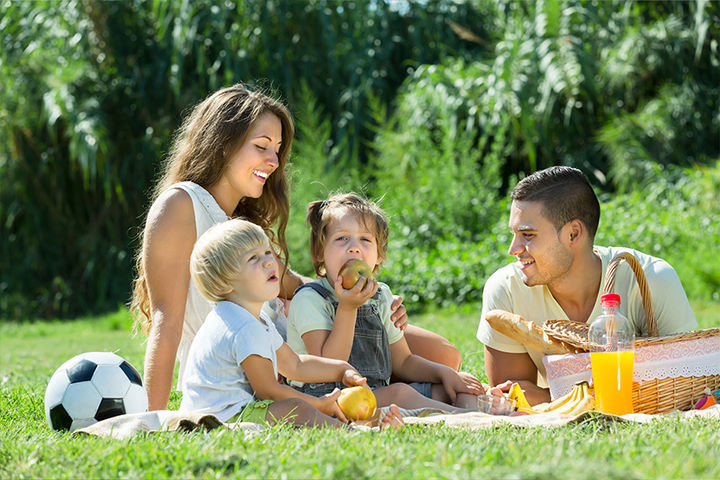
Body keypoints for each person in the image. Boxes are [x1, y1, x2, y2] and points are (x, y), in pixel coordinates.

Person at [129, 83, 459, 411]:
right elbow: (166, 322)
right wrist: (151, 418)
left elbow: (294, 285)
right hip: (263, 370)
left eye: (277, 149)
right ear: (224, 145)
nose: (273, 160)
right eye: (262, 146)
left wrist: (368, 296)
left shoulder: (245, 223)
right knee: (423, 380)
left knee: (445, 356)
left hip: (296, 351)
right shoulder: (182, 204)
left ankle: (402, 396)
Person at [476, 166, 697, 404]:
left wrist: (551, 397)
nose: (513, 249)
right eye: (514, 234)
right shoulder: (506, 290)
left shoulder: (651, 279)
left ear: (573, 234)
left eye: (527, 235)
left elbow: (689, 385)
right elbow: (514, 399)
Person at [179, 219, 403, 429]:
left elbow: (294, 364)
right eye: (253, 259)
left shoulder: (255, 318)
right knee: (297, 408)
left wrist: (341, 369)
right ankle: (353, 432)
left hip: (238, 410)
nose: (268, 261)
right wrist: (318, 404)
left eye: (267, 252)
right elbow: (269, 391)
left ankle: (363, 423)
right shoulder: (241, 326)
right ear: (225, 283)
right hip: (224, 417)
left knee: (301, 407)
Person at [287, 193, 484, 411]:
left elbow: (403, 362)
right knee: (400, 392)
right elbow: (327, 367)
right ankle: (464, 417)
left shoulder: (380, 296)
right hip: (326, 399)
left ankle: (476, 410)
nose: (354, 247)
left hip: (373, 394)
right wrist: (347, 308)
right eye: (341, 238)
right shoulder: (310, 299)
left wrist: (444, 373)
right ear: (319, 253)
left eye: (365, 239)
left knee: (454, 387)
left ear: (379, 255)